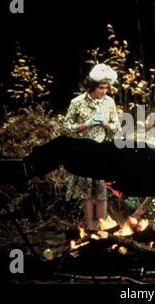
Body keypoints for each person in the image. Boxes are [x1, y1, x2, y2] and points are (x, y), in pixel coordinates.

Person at [22, 136, 155, 198]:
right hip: (108, 148)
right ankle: (28, 164)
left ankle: (26, 171)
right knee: (63, 142)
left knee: (65, 153)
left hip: (109, 164)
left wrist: (118, 186)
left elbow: (142, 187)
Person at [62, 63, 121, 231]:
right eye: (101, 88)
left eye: (106, 88)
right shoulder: (78, 102)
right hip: (83, 151)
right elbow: (65, 127)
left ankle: (103, 228)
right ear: (93, 86)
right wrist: (85, 125)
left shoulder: (109, 102)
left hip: (102, 151)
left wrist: (106, 124)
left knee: (102, 191)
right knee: (86, 192)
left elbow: (117, 126)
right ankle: (90, 228)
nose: (104, 91)